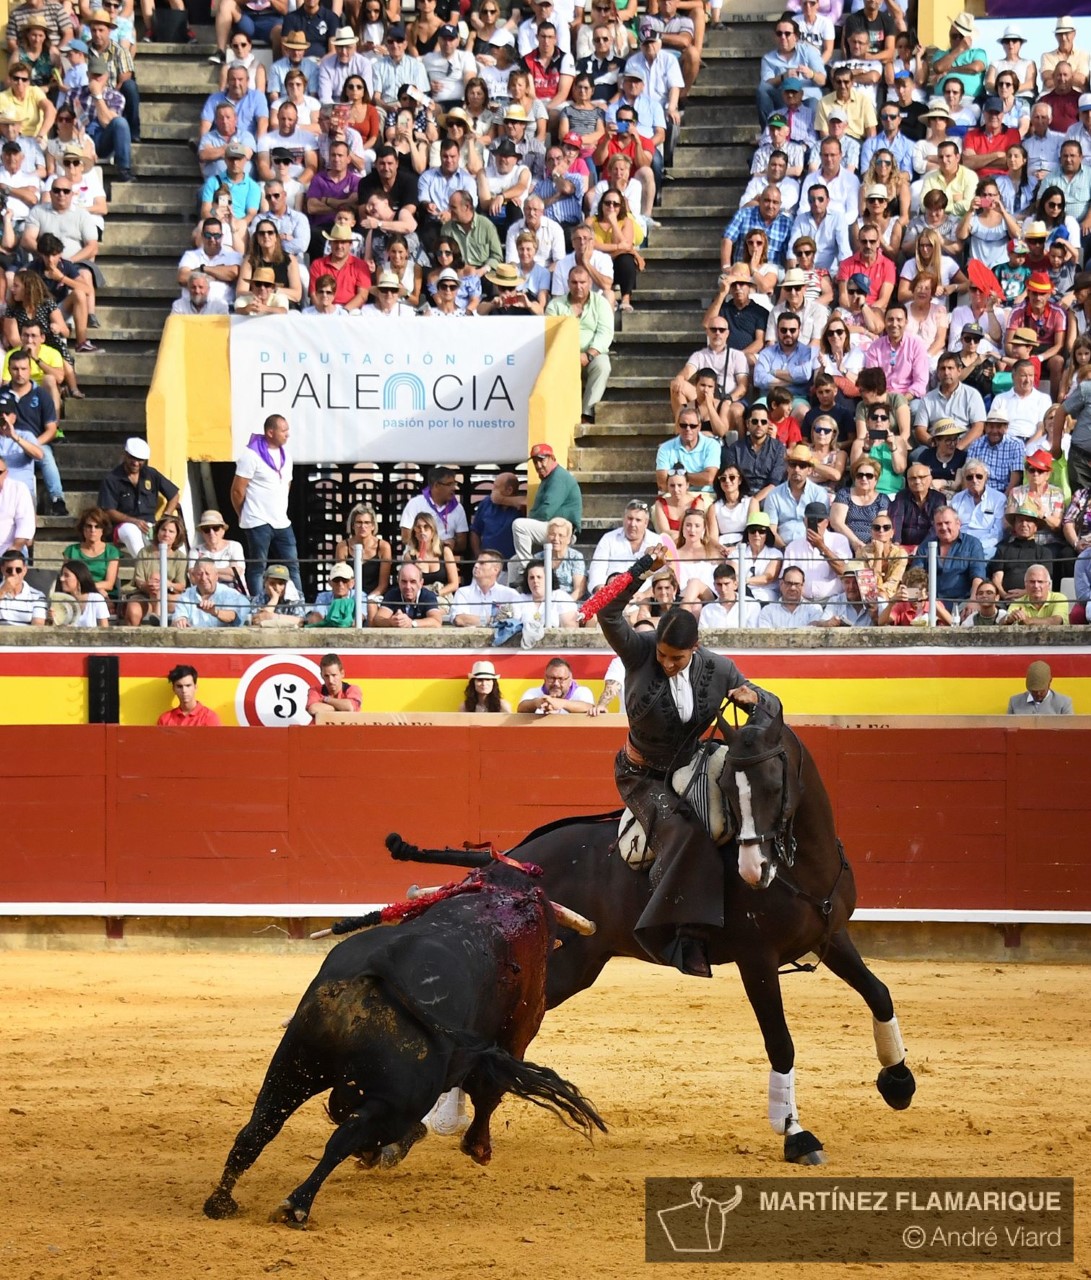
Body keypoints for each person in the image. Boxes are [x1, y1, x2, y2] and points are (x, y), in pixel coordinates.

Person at [596, 543, 768, 975]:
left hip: (693, 764)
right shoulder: (639, 652)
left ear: (695, 648)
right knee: (686, 833)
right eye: (663, 656)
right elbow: (606, 611)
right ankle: (681, 933)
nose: (667, 664)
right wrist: (642, 568)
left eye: (677, 658)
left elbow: (764, 706)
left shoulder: (721, 668)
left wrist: (756, 697)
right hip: (643, 775)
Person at [230, 413, 301, 597]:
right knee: (257, 567)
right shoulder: (251, 455)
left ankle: (299, 605)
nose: (287, 434)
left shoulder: (287, 455)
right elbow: (237, 490)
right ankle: (257, 604)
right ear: (270, 432)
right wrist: (243, 514)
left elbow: (287, 484)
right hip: (257, 520)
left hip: (282, 521)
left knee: (293, 565)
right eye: (283, 430)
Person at [544, 264, 613, 421]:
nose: (578, 286)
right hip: (563, 354)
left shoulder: (601, 303)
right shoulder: (555, 305)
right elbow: (550, 334)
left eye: (582, 282)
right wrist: (568, 355)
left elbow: (605, 333)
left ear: (590, 283)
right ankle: (560, 415)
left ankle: (586, 414)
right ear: (568, 283)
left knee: (603, 365)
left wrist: (589, 355)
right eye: (574, 282)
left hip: (592, 355)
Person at [97, 437, 179, 559]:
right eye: (132, 458)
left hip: (149, 524)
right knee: (132, 532)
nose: (136, 463)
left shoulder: (151, 474)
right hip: (122, 525)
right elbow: (108, 510)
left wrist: (165, 517)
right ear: (125, 455)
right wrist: (134, 521)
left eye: (140, 460)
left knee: (162, 538)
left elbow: (174, 495)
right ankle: (146, 567)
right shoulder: (112, 479)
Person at [510, 442, 582, 569]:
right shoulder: (548, 477)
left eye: (542, 460)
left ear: (552, 458)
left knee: (519, 525)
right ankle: (520, 582)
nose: (538, 465)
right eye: (535, 462)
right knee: (513, 563)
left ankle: (528, 569)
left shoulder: (559, 477)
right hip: (551, 527)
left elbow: (546, 512)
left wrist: (530, 518)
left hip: (563, 532)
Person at [909, 506, 987, 607]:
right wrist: (913, 602)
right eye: (939, 524)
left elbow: (978, 576)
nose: (944, 527)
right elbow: (915, 576)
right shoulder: (926, 545)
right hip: (929, 603)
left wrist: (973, 600)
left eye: (947, 523)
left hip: (962, 603)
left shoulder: (972, 544)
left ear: (958, 523)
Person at [122, 512, 190, 625]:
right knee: (133, 611)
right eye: (163, 529)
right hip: (144, 594)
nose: (166, 534)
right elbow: (139, 581)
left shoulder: (180, 557)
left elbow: (181, 586)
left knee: (184, 604)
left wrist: (167, 584)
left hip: (170, 596)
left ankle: (158, 616)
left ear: (177, 536)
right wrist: (151, 586)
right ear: (157, 531)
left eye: (171, 531)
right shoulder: (144, 552)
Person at [587, 498, 658, 591]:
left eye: (638, 520)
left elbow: (661, 575)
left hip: (644, 598)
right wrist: (602, 592)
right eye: (630, 518)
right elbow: (597, 569)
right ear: (623, 519)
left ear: (646, 523)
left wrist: (646, 595)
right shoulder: (608, 538)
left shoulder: (657, 541)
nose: (633, 524)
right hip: (611, 594)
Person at [172, 559, 249, 629]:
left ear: (216, 576)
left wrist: (214, 612)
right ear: (194, 576)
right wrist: (180, 620)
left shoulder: (228, 593)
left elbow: (233, 616)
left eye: (207, 573)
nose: (203, 578)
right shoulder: (186, 595)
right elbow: (178, 617)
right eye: (199, 574)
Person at [451, 548, 522, 625]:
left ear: (495, 570)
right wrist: (491, 619)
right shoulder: (463, 592)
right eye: (476, 562)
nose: (476, 565)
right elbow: (460, 619)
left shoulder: (510, 594)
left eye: (482, 563)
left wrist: (475, 620)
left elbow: (518, 618)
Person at [371, 562, 444, 629]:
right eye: (404, 582)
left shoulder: (428, 596)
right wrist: (391, 622)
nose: (408, 587)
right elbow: (378, 619)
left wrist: (412, 623)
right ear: (398, 581)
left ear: (421, 583)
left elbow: (436, 621)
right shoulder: (392, 594)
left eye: (413, 582)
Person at [999, 561, 1070, 627]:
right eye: (1032, 582)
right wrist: (1008, 620)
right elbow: (1002, 622)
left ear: (1048, 584)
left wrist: (1028, 621)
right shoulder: (1018, 602)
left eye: (1040, 582)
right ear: (1025, 584)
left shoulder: (1060, 598)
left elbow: (1056, 621)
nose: (1036, 586)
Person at [516, 656, 593, 715]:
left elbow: (589, 707)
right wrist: (537, 703)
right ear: (545, 678)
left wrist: (561, 703)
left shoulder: (582, 691)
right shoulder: (533, 692)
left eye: (561, 679)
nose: (556, 683)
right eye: (551, 678)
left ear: (570, 680)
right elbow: (521, 708)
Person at [156, 665, 223, 727]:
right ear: (174, 689)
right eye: (179, 686)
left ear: (195, 687)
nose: (184, 690)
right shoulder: (165, 719)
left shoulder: (209, 718)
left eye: (188, 686)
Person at [1007, 659, 1074, 715]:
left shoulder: (1064, 703)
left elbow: (1069, 729)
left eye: (1042, 691)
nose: (1038, 694)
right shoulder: (1014, 702)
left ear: (1050, 682)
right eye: (1034, 692)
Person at [306, 653, 362, 719]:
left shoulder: (353, 689)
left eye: (334, 675)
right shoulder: (315, 690)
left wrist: (326, 699)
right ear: (321, 675)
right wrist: (341, 708)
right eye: (326, 676)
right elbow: (313, 709)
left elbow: (350, 707)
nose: (330, 680)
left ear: (342, 673)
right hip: (322, 729)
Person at [0, 544, 44, 624]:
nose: (14, 574)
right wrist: (3, 591)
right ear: (2, 569)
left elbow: (38, 627)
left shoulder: (37, 596)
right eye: (9, 570)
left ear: (24, 570)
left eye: (18, 570)